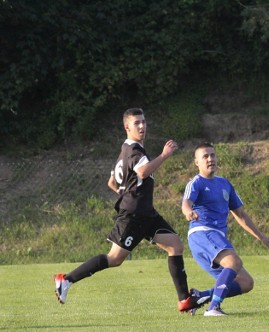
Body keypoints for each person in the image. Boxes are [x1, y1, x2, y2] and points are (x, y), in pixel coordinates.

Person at [54, 107, 208, 313]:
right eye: (137, 123)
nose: (142, 126)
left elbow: (111, 181)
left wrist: (126, 191)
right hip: (134, 215)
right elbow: (143, 172)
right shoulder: (134, 150)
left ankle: (184, 300)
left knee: (175, 245)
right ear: (127, 127)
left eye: (144, 121)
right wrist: (164, 155)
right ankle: (66, 279)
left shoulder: (124, 151)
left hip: (146, 214)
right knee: (114, 259)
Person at [181, 142, 269, 316]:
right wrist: (189, 212)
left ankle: (199, 297)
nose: (210, 159)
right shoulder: (196, 183)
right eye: (205, 156)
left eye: (213, 155)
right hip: (202, 232)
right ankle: (214, 308)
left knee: (246, 282)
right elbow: (186, 203)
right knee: (234, 262)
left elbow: (240, 214)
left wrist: (261, 237)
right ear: (197, 162)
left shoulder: (225, 184)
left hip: (215, 236)